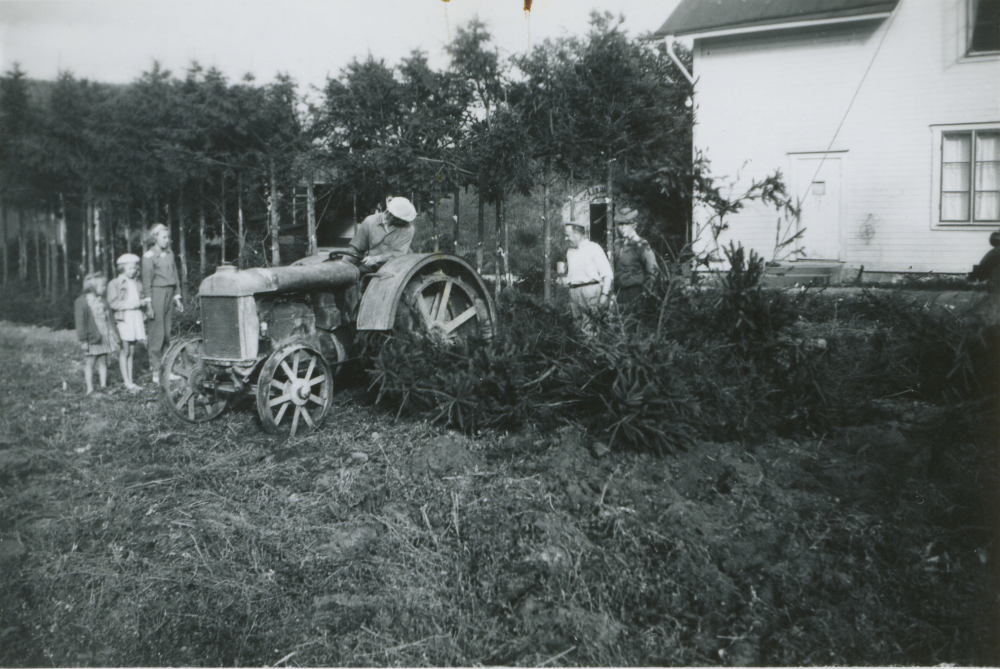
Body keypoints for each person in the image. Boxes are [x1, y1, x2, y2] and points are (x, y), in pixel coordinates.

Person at [142, 223, 183, 384]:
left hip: (169, 294)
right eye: (164, 237)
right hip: (156, 295)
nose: (167, 240)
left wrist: (177, 298)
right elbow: (146, 283)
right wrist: (149, 305)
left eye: (168, 237)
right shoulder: (148, 257)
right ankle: (155, 371)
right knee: (156, 334)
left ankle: (167, 370)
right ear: (155, 238)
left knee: (167, 333)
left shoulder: (170, 254)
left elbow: (175, 277)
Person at [560, 220, 613, 336]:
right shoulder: (570, 251)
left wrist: (604, 295)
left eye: (567, 235)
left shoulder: (594, 248)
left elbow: (607, 273)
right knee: (576, 330)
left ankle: (592, 351)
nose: (566, 239)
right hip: (574, 292)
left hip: (590, 292)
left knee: (590, 329)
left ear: (577, 234)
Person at [75, 272, 121, 397]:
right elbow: (80, 323)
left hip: (104, 335)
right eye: (102, 286)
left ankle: (103, 386)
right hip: (92, 337)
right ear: (93, 287)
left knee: (103, 361)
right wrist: (83, 340)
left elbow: (110, 320)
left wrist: (115, 336)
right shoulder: (82, 302)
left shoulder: (104, 301)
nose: (105, 288)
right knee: (90, 362)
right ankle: (90, 389)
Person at [347, 196, 417, 274]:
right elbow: (356, 249)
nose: (406, 222)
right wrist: (343, 265)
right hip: (373, 267)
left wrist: (377, 258)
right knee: (354, 278)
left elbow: (398, 254)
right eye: (403, 220)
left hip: (398, 267)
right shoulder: (370, 222)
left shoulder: (408, 229)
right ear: (392, 216)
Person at [108, 253, 146, 392]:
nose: (133, 271)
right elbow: (113, 303)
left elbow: (141, 297)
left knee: (132, 350)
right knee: (125, 350)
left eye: (135, 268)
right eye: (130, 268)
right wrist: (133, 304)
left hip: (135, 317)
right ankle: (126, 382)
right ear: (122, 268)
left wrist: (142, 304)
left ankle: (131, 381)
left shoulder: (137, 282)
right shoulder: (115, 283)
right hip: (124, 318)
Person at [613, 210, 659, 308]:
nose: (622, 227)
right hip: (620, 292)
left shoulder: (640, 244)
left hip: (635, 292)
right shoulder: (618, 244)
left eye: (626, 224)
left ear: (633, 225)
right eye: (620, 224)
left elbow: (653, 270)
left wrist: (646, 292)